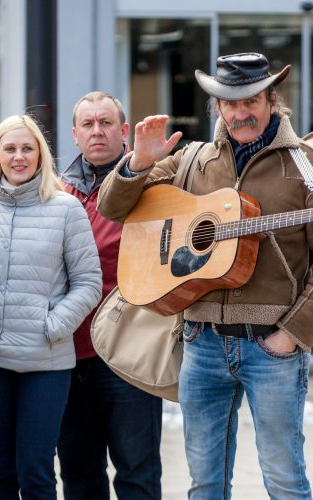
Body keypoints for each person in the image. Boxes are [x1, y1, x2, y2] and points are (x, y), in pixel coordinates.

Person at [97, 53, 313, 499]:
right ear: (216, 107)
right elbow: (113, 208)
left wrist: (292, 334)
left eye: (250, 99)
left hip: (272, 348)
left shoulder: (305, 165)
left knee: (286, 482)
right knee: (205, 484)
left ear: (272, 100)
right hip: (201, 341)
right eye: (228, 103)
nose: (240, 113)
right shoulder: (191, 160)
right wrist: (137, 164)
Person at [0, 114, 102, 499]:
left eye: (27, 148)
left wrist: (51, 326)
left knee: (35, 473)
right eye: (10, 149)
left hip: (44, 360)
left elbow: (88, 284)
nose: (19, 157)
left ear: (41, 154)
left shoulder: (66, 209)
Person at [56, 91, 163, 500]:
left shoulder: (152, 184)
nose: (97, 131)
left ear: (123, 131)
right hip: (68, 357)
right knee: (79, 476)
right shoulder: (57, 194)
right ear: (75, 134)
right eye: (88, 124)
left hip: (128, 357)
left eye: (105, 123)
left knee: (137, 474)